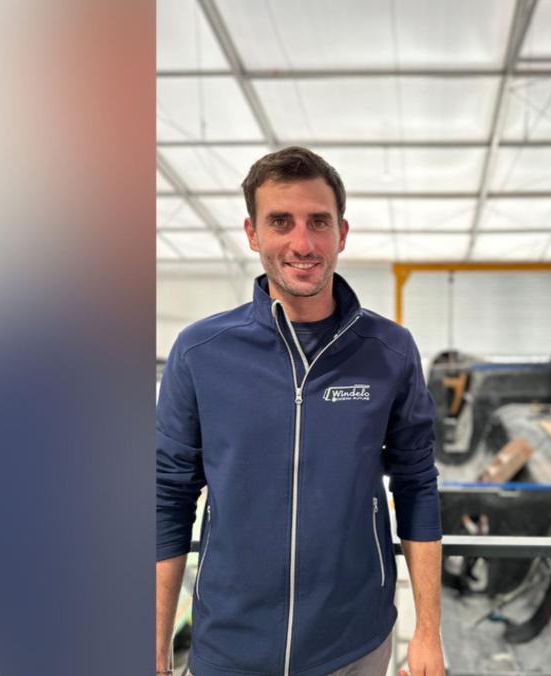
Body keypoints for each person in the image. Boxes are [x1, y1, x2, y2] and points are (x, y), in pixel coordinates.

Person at [156, 147, 445, 676]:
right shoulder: (200, 352)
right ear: (252, 233)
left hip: (353, 645)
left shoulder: (390, 351)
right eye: (280, 222)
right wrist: (155, 642)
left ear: (342, 233)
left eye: (319, 222)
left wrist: (428, 630)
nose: (303, 243)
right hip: (229, 647)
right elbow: (167, 497)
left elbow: (417, 484)